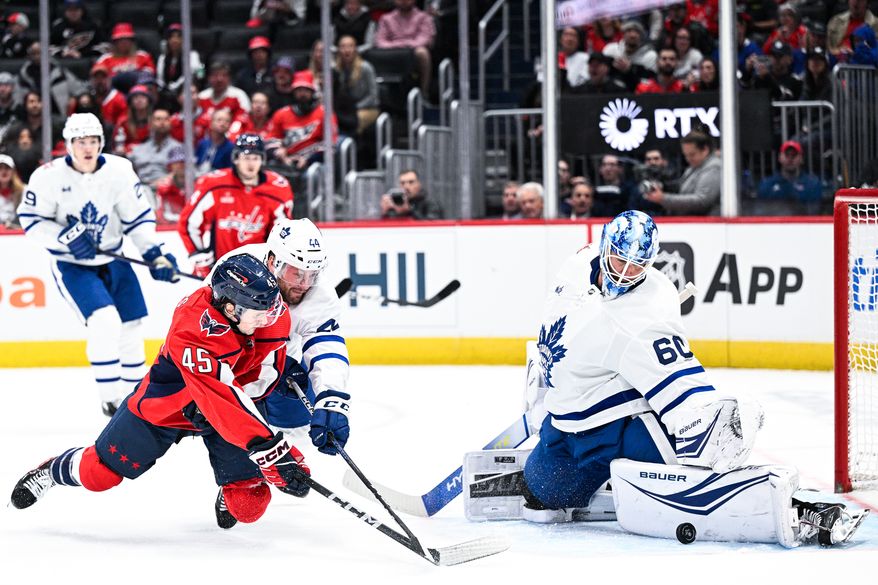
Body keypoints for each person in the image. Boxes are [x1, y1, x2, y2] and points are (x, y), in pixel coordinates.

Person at [509, 210, 867, 547]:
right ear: (603, 247)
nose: (624, 273)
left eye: (637, 266)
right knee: (545, 490)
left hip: (617, 424)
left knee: (689, 465)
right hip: (564, 423)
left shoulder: (644, 320)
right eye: (619, 259)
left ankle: (794, 506)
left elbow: (683, 387)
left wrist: (714, 421)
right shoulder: (578, 262)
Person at [9, 254, 346, 533]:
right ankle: (53, 470)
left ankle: (230, 482)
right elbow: (218, 394)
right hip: (166, 409)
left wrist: (276, 381)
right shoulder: (192, 327)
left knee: (247, 506)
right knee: (100, 475)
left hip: (227, 414)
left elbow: (261, 378)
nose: (268, 320)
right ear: (231, 309)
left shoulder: (267, 312)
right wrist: (270, 449)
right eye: (260, 315)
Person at [15, 113, 180, 416]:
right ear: (69, 144)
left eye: (93, 141)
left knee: (132, 326)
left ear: (101, 143)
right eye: (80, 142)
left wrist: (153, 252)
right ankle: (110, 398)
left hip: (113, 258)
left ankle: (135, 398)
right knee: (104, 321)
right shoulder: (48, 176)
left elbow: (137, 219)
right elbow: (31, 220)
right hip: (72, 264)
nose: (87, 148)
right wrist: (65, 238)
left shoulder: (119, 171)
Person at [207, 218, 351, 527]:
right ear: (272, 261)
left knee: (300, 422)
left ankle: (260, 459)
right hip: (234, 380)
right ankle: (236, 476)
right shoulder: (234, 271)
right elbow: (210, 343)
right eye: (296, 272)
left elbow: (326, 346)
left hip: (281, 372)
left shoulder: (319, 296)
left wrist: (332, 400)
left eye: (312, 274)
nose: (304, 283)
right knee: (246, 506)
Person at [179, 133, 294, 277]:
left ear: (262, 160)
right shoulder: (215, 185)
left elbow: (283, 234)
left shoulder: (277, 189)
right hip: (220, 269)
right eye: (246, 158)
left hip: (259, 273)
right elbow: (188, 222)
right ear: (236, 159)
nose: (251, 164)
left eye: (255, 158)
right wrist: (200, 258)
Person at [267, 71, 338, 170]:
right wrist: (278, 152)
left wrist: (309, 159)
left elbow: (331, 144)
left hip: (314, 162)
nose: (302, 94)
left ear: (313, 92)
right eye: (299, 91)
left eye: (306, 90)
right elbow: (271, 139)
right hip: (287, 160)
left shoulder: (325, 113)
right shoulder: (281, 114)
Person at [642, 130, 721, 215]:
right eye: (685, 155)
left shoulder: (714, 167)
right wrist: (662, 186)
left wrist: (663, 198)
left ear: (705, 149)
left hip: (708, 224)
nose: (688, 159)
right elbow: (681, 187)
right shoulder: (694, 167)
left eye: (692, 154)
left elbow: (702, 201)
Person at [374, 0, 436, 95]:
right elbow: (380, 41)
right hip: (392, 53)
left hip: (413, 52)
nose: (403, 1)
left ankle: (424, 93)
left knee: (422, 53)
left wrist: (403, 45)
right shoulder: (386, 18)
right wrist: (401, 45)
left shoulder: (424, 17)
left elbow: (425, 39)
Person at [757, 140, 823, 214]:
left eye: (794, 155)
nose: (790, 159)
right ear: (780, 158)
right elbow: (762, 211)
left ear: (801, 159)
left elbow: (814, 212)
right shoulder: (767, 184)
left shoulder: (812, 184)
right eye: (787, 155)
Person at [336, 35, 380, 135]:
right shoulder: (336, 70)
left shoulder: (366, 67)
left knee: (353, 120)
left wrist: (355, 107)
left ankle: (353, 147)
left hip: (367, 108)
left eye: (350, 46)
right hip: (345, 110)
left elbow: (373, 96)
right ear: (338, 50)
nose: (347, 50)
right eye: (343, 47)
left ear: (355, 49)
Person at [128, 108, 182, 189]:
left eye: (166, 119)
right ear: (150, 123)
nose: (162, 123)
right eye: (158, 119)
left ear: (170, 123)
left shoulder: (177, 148)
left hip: (163, 190)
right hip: (139, 189)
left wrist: (154, 185)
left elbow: (177, 174)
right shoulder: (139, 148)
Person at [194, 108, 235, 175]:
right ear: (211, 123)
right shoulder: (202, 144)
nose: (222, 124)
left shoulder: (231, 148)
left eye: (227, 121)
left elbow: (230, 171)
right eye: (219, 120)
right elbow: (195, 163)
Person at [154, 146, 187, 225]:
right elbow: (160, 215)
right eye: (176, 162)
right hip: (170, 225)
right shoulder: (164, 186)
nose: (180, 165)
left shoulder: (198, 183)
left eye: (183, 161)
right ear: (170, 166)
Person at [0, 154, 23, 228]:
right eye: (0, 168)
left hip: (16, 235)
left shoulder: (24, 191)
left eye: (7, 168)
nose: (3, 171)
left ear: (13, 171)